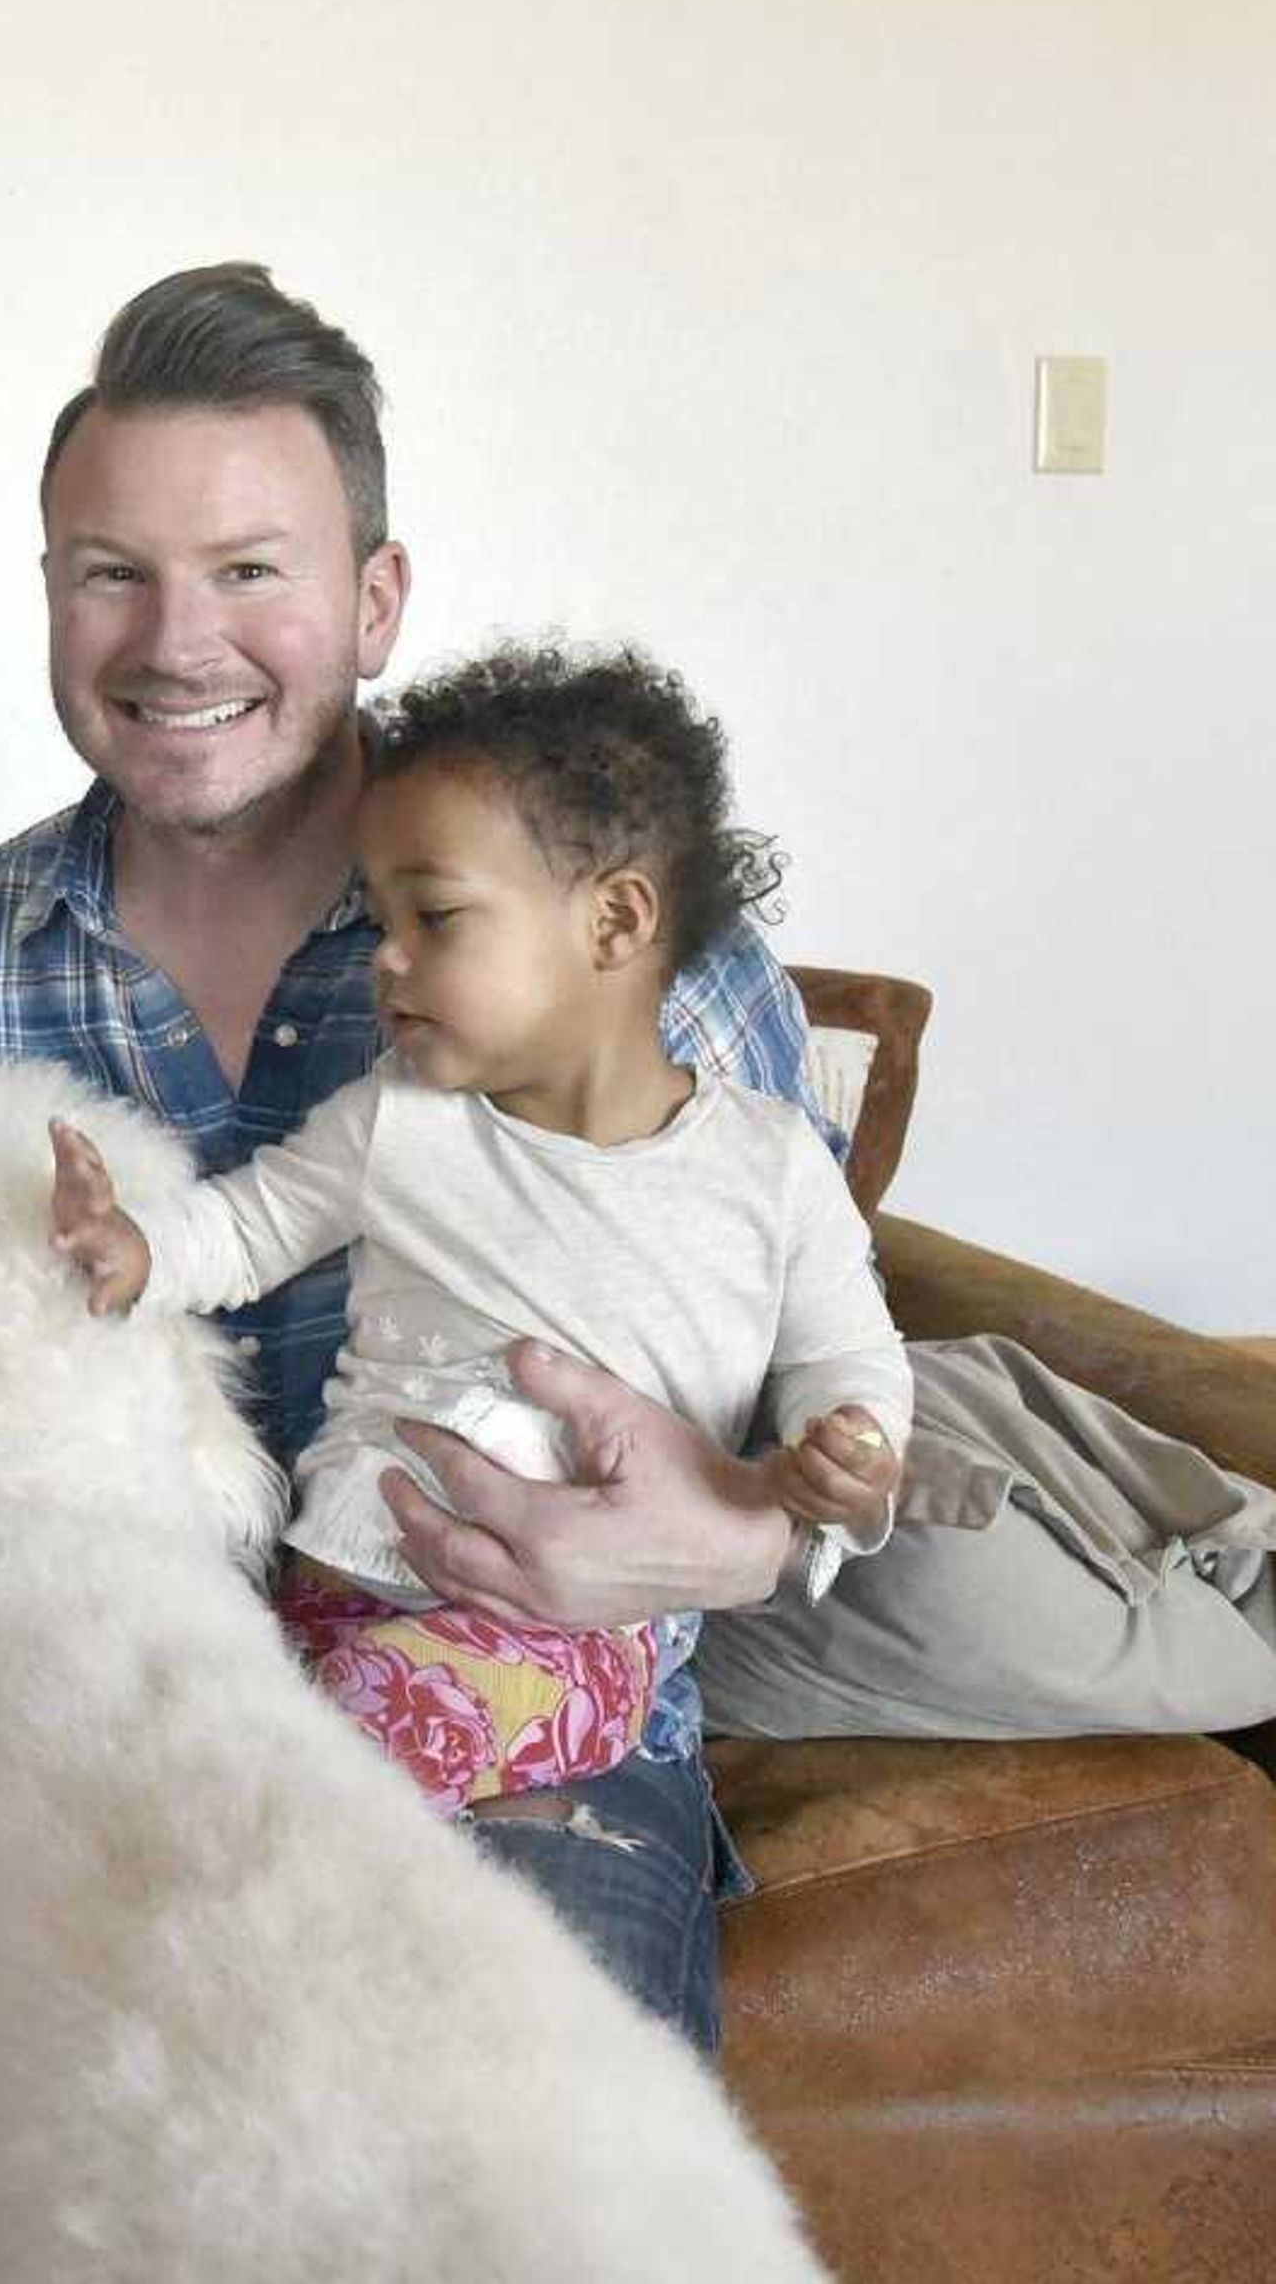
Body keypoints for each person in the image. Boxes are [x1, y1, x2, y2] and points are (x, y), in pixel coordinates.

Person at [0, 260, 838, 2044]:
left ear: (376, 600)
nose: (175, 640)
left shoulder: (642, 971)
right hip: (81, 1748)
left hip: (527, 1753)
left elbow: (835, 1412)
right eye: (111, 574)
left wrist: (739, 1540)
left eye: (248, 569)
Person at [44, 642, 913, 1813]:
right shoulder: (396, 1122)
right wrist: (138, 1250)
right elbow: (248, 1227)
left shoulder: (770, 1164)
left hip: (578, 1636)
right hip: (339, 1582)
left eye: (435, 917)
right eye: (381, 915)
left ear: (614, 920)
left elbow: (845, 1352)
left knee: (311, 1762)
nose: (385, 959)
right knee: (170, 1729)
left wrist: (847, 1452)